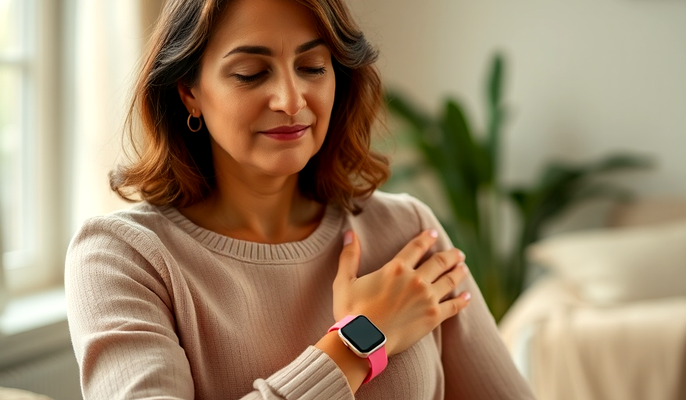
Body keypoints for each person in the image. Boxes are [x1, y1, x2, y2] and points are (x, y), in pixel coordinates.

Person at [65, 0, 536, 399]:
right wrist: (360, 340)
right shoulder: (121, 256)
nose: (291, 100)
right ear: (189, 91)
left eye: (313, 67)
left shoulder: (408, 231)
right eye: (250, 73)